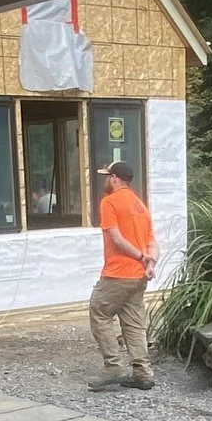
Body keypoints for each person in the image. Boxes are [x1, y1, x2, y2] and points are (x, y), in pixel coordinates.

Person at [88, 160, 156, 390]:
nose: (106, 181)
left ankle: (113, 367)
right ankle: (143, 374)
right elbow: (152, 242)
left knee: (99, 311)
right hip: (139, 276)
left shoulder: (109, 202)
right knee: (134, 322)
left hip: (118, 273)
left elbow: (116, 238)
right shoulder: (140, 205)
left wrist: (139, 256)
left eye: (107, 177)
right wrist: (150, 263)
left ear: (115, 178)